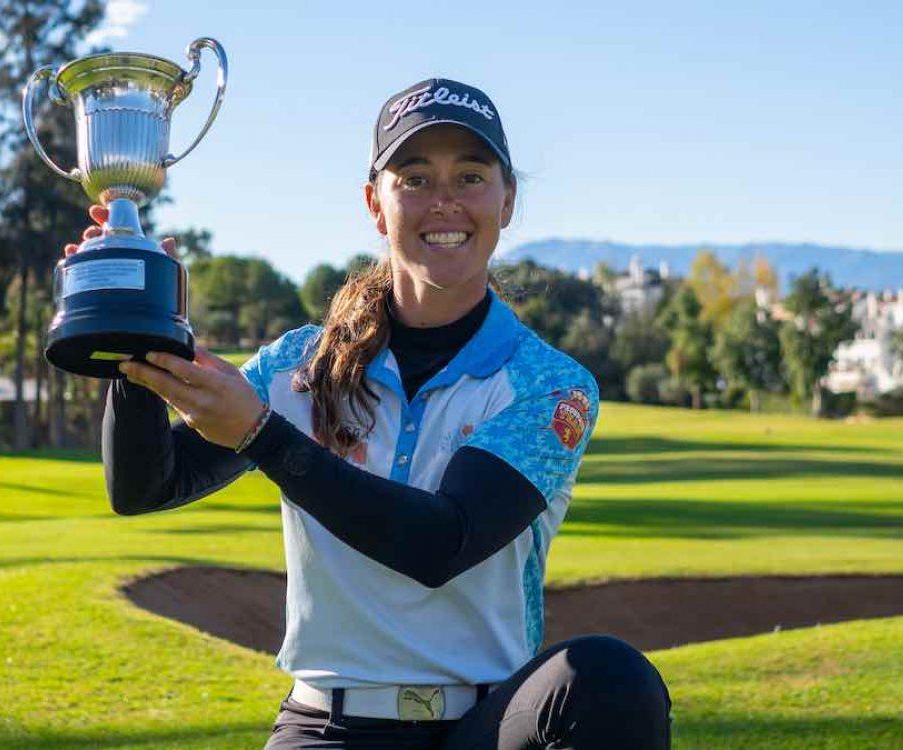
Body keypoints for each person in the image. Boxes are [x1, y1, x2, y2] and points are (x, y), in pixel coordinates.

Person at [75, 78, 672, 749]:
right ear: (375, 204)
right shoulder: (298, 366)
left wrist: (261, 435)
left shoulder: (548, 384)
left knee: (610, 679)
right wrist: (135, 329)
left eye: (471, 176)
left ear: (507, 201)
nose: (444, 201)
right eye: (414, 177)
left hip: (484, 729)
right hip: (327, 725)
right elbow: (146, 486)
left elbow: (442, 543)